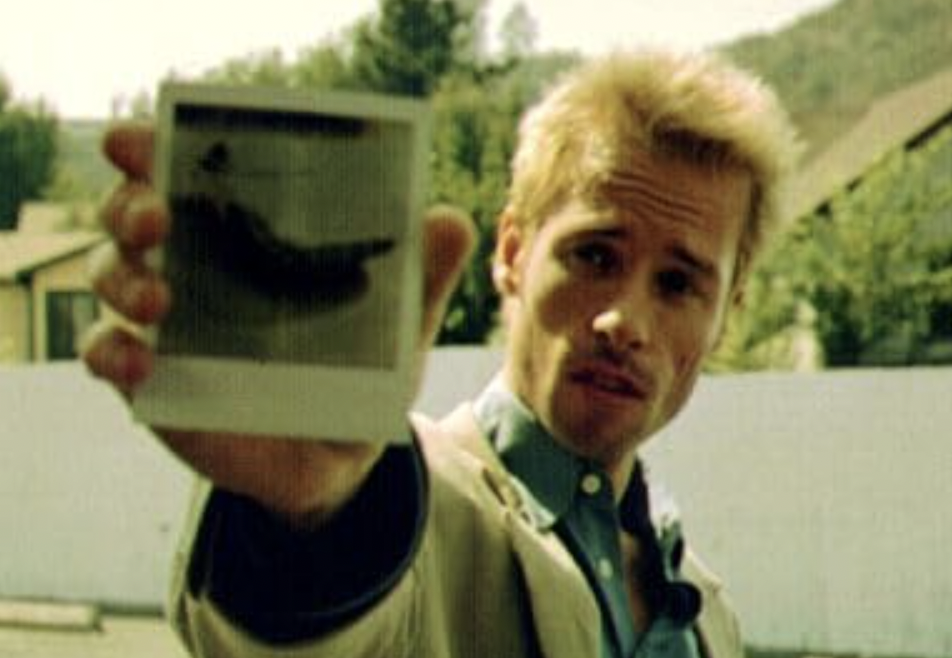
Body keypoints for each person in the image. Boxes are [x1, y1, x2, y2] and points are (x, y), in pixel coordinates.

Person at [84, 47, 799, 658]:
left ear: (725, 315)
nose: (624, 320)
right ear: (513, 254)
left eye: (678, 284)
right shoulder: (401, 513)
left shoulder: (706, 614)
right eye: (594, 255)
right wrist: (309, 522)